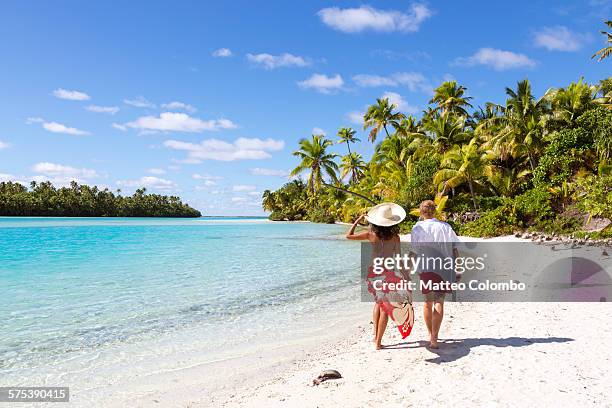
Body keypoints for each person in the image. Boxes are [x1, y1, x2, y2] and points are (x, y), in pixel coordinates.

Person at [346, 203, 413, 350]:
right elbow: (398, 259)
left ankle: (375, 336)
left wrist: (358, 220)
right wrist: (405, 275)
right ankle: (378, 342)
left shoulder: (370, 234)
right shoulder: (396, 238)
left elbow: (348, 235)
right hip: (387, 273)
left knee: (378, 303)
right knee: (385, 308)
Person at [410, 199, 460, 349]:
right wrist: (458, 268)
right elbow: (454, 249)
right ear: (435, 211)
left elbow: (414, 251)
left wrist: (407, 268)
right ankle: (435, 338)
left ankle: (431, 335)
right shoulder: (445, 227)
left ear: (421, 212)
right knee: (439, 301)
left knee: (428, 302)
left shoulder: (417, 229)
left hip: (426, 269)